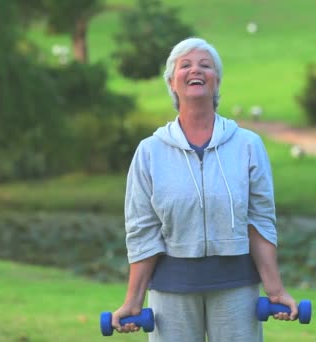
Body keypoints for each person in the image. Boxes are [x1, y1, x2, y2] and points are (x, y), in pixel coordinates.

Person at [111, 37, 298, 341]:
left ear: (216, 81)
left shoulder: (248, 145)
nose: (195, 69)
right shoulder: (150, 152)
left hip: (237, 288)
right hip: (171, 291)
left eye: (205, 65)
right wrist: (133, 301)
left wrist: (275, 290)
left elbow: (260, 221)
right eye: (185, 65)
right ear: (172, 82)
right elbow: (143, 231)